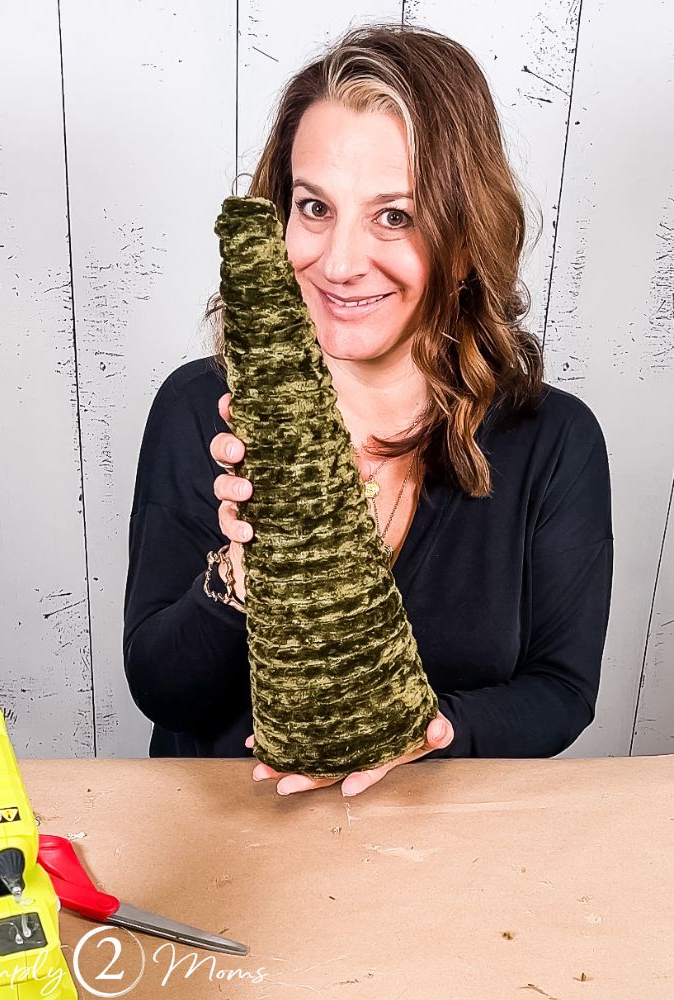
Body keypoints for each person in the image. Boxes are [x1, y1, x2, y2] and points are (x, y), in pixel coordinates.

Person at [123, 24, 613, 796]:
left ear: (464, 233)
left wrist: (427, 730)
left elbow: (561, 690)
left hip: (439, 844)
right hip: (229, 837)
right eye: (315, 207)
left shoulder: (553, 440)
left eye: (395, 216)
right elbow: (162, 689)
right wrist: (241, 574)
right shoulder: (198, 409)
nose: (341, 262)